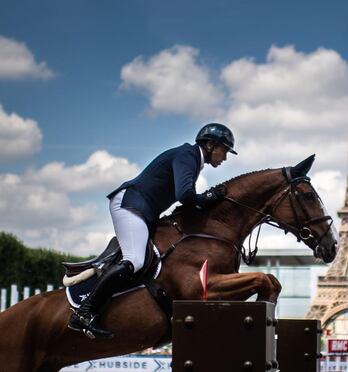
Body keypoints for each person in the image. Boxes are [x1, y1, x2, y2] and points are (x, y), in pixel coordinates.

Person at [68, 123, 238, 339]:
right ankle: (84, 313)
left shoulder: (194, 159)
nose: (225, 157)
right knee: (135, 260)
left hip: (144, 211)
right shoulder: (189, 154)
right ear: (211, 144)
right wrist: (210, 198)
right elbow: (185, 196)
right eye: (224, 149)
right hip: (130, 204)